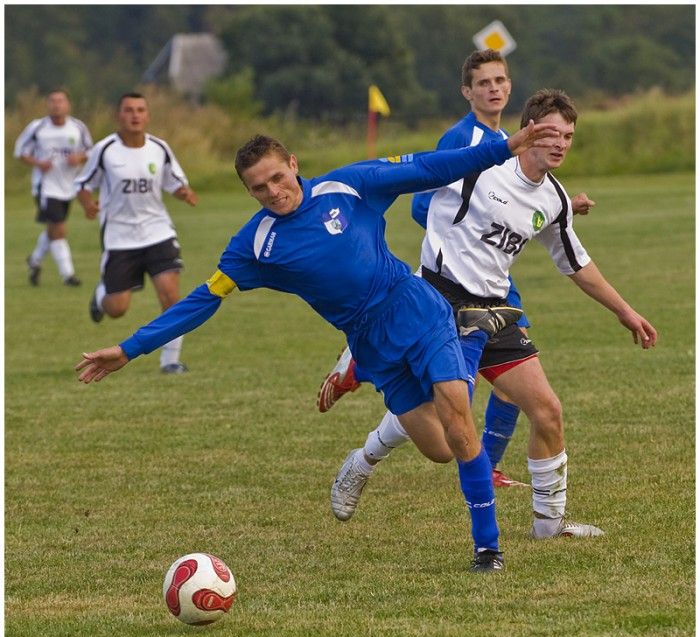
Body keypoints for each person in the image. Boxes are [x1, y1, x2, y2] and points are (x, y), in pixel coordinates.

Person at [75, 123, 560, 572]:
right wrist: (129, 349)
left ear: (294, 163)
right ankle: (408, 373)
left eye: (278, 177)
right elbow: (203, 301)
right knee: (438, 450)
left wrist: (504, 147)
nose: (273, 192)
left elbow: (429, 167)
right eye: (259, 188)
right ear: (248, 192)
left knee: (458, 423)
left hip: (417, 309)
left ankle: (487, 547)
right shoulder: (255, 245)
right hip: (371, 344)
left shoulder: (348, 186)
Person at [327, 89, 657, 540]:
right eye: (551, 133)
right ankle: (363, 459)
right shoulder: (477, 167)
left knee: (548, 411)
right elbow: (410, 180)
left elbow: (576, 263)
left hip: (494, 310)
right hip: (441, 303)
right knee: (444, 428)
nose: (560, 143)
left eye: (568, 136)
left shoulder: (554, 198)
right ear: (528, 130)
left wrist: (626, 311)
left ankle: (549, 525)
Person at [318, 49, 596, 488]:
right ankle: (364, 375)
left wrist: (557, 211)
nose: (494, 89)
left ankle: (489, 465)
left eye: (500, 81)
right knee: (450, 400)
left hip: (495, 278)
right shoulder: (462, 138)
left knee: (512, 378)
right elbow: (424, 203)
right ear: (467, 91)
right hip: (454, 279)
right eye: (484, 83)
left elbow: (520, 199)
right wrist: (464, 233)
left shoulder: (505, 138)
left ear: (510, 87)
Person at [75, 92, 198, 374]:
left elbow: (174, 181)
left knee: (171, 297)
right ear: (118, 115)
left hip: (158, 231)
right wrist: (87, 204)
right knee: (117, 308)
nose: (135, 115)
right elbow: (82, 183)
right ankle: (101, 294)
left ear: (147, 115)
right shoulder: (105, 149)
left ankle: (170, 361)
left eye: (140, 110)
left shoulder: (159, 148)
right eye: (129, 110)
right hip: (120, 237)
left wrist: (183, 193)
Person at [14, 88, 93, 286]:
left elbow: (91, 151)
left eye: (61, 101)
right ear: (47, 104)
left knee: (53, 229)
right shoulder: (38, 127)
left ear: (68, 104)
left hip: (69, 185)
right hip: (46, 187)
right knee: (59, 229)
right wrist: (38, 163)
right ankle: (68, 275)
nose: (57, 105)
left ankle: (35, 260)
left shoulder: (78, 127)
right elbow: (20, 152)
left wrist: (79, 157)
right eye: (53, 101)